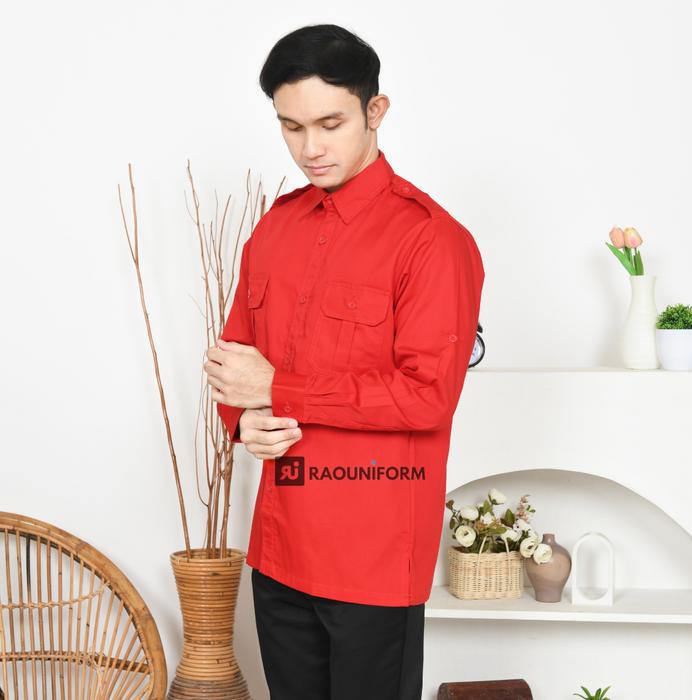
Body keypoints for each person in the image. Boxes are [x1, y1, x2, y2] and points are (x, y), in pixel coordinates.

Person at [204, 23, 485, 700]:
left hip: (373, 560)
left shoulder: (432, 240)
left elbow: (427, 396)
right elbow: (234, 366)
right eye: (291, 127)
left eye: (330, 124)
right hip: (278, 549)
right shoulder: (275, 226)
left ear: (374, 110)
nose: (311, 148)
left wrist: (280, 388)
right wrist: (241, 420)